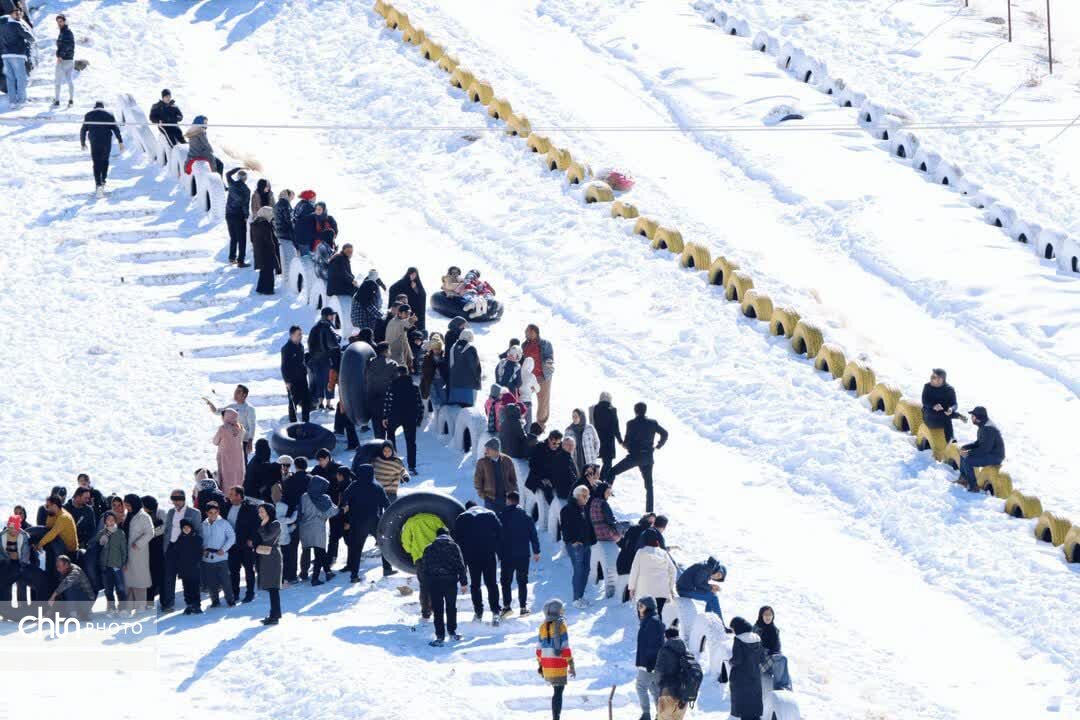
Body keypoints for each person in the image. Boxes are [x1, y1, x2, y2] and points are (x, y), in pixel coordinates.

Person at [610, 403, 669, 513]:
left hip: (634, 457)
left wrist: (624, 445)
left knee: (612, 472)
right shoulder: (653, 423)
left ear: (635, 411)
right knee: (649, 486)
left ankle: (604, 496)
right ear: (645, 410)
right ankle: (649, 511)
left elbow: (627, 441)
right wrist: (658, 446)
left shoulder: (631, 423)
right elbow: (665, 433)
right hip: (648, 457)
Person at [453, 501, 503, 625]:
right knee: (492, 584)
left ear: (467, 508)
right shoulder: (490, 514)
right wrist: (497, 551)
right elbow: (500, 533)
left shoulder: (462, 517)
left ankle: (478, 612)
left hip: (472, 557)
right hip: (488, 555)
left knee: (475, 585)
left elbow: (456, 539)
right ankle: (495, 612)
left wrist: (463, 560)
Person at [340, 464, 390, 582]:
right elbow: (386, 503)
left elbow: (344, 497)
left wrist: (347, 507)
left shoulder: (354, 485)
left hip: (357, 522)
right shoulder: (377, 486)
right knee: (383, 545)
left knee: (356, 549)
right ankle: (387, 568)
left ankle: (354, 575)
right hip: (374, 521)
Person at [420, 527, 468, 647]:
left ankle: (440, 636)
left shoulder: (428, 548)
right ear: (448, 535)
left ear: (436, 536)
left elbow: (424, 568)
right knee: (451, 607)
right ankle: (452, 632)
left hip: (434, 583)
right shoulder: (454, 547)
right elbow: (460, 565)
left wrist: (426, 585)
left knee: (438, 610)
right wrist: (464, 583)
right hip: (450, 582)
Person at [498, 491, 540, 617]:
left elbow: (496, 536)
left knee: (506, 582)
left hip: (506, 555)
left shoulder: (501, 516)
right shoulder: (526, 516)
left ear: (508, 501)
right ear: (518, 501)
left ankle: (507, 607)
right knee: (522, 581)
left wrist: (498, 552)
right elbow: (533, 535)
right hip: (523, 554)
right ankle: (523, 608)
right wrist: (536, 551)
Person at [160, 488, 201, 613]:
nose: (176, 502)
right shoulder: (171, 512)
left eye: (178, 499)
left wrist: (196, 550)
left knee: (188, 577)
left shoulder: (194, 512)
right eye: (173, 499)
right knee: (169, 576)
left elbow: (198, 531)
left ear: (184, 499)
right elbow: (167, 529)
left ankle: (192, 603)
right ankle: (169, 604)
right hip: (171, 547)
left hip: (186, 550)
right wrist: (165, 547)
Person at [536, 599, 575, 720]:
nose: (563, 611)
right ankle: (556, 717)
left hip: (547, 664)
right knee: (558, 692)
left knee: (556, 691)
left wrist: (540, 665)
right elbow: (565, 647)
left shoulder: (542, 626)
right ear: (556, 610)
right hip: (559, 663)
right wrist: (571, 665)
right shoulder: (561, 625)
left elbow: (538, 649)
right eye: (561, 609)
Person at [382, 365, 424, 473]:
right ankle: (412, 466)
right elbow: (420, 404)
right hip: (410, 416)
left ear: (398, 374)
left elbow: (387, 402)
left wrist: (385, 417)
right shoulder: (414, 387)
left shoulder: (392, 386)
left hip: (394, 416)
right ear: (407, 373)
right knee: (411, 442)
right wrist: (419, 418)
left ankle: (393, 463)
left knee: (391, 438)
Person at [299, 474, 338, 586]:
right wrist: (340, 507)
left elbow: (301, 511)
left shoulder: (304, 496)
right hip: (317, 529)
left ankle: (327, 572)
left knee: (307, 550)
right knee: (319, 553)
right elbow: (332, 512)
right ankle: (315, 578)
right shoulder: (324, 498)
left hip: (304, 528)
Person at [560, 485, 595, 608]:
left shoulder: (584, 508)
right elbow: (564, 527)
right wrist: (572, 541)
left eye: (588, 496)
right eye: (584, 496)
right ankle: (576, 599)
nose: (587, 498)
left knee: (586, 570)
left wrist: (591, 540)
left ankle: (580, 596)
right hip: (575, 545)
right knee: (579, 570)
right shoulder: (567, 509)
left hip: (586, 543)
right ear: (577, 496)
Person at [79, 101, 123, 197]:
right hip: (106, 142)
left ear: (94, 107)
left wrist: (82, 143)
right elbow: (116, 129)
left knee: (96, 163)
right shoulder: (109, 115)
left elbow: (83, 130)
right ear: (103, 107)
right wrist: (120, 141)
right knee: (105, 161)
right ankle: (103, 180)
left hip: (94, 142)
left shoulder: (88, 115)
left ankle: (98, 184)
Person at [629, 533, 677, 620]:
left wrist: (631, 588)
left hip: (644, 592)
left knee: (643, 617)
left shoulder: (640, 552)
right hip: (661, 591)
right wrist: (669, 588)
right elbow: (673, 571)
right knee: (657, 615)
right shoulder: (663, 553)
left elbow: (634, 571)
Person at [959, 406, 1005, 492]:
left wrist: (969, 453)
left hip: (995, 456)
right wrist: (966, 447)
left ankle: (973, 487)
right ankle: (963, 479)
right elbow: (979, 443)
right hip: (989, 452)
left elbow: (984, 449)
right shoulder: (983, 425)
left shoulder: (988, 429)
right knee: (963, 453)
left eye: (973, 416)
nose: (971, 418)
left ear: (978, 418)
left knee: (968, 460)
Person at [225, 487, 259, 603]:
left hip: (245, 544)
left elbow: (256, 525)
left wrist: (252, 539)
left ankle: (250, 593)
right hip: (232, 545)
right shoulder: (227, 506)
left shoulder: (250, 507)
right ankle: (235, 594)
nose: (229, 496)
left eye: (232, 494)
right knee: (233, 570)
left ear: (239, 496)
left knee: (249, 570)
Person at [729, 616, 766, 720]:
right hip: (755, 677)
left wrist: (730, 661)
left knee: (744, 709)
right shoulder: (757, 638)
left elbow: (737, 660)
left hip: (741, 679)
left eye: (733, 629)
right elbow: (762, 658)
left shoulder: (738, 639)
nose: (733, 631)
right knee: (754, 708)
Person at [588, 482, 621, 599]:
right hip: (606, 535)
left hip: (596, 534)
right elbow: (610, 520)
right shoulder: (603, 503)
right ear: (602, 491)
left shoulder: (592, 502)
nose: (609, 495)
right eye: (607, 492)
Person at [200, 501, 236, 607]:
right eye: (210, 512)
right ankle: (215, 600)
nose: (213, 515)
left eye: (215, 512)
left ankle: (230, 599)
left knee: (225, 580)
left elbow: (232, 537)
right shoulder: (203, 524)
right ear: (207, 513)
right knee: (211, 581)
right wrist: (202, 549)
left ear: (218, 512)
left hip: (221, 557)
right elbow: (200, 539)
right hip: (207, 558)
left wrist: (224, 549)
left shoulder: (224, 523)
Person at [121, 494, 153, 612]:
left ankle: (140, 607)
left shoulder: (144, 516)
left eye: (128, 505)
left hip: (138, 553)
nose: (127, 508)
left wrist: (138, 543)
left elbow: (150, 533)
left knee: (139, 581)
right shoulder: (128, 515)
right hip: (127, 552)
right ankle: (128, 607)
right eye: (126, 505)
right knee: (128, 581)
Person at [205, 384, 256, 458]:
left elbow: (252, 426)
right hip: (231, 440)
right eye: (235, 391)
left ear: (244, 395)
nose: (235, 393)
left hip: (243, 441)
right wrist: (210, 404)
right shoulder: (232, 406)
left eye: (238, 392)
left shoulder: (249, 408)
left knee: (242, 462)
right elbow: (217, 412)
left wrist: (250, 441)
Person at [635, 596, 666, 720]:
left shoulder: (652, 622)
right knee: (655, 690)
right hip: (651, 663)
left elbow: (655, 645)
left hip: (649, 664)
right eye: (638, 606)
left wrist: (650, 664)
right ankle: (661, 715)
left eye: (641, 606)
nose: (639, 609)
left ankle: (646, 714)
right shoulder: (650, 620)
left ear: (648, 607)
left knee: (640, 687)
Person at [675, 556, 727, 625]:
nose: (716, 577)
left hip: (686, 588)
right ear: (718, 569)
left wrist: (711, 587)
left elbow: (699, 581)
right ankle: (720, 624)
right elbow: (698, 583)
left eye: (718, 578)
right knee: (713, 598)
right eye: (718, 574)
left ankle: (708, 621)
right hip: (684, 590)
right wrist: (711, 587)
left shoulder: (709, 567)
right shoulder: (708, 568)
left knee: (712, 596)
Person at [521, 325, 555, 429]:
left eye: (528, 331)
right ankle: (523, 422)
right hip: (529, 377)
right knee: (524, 398)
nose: (526, 333)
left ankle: (540, 423)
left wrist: (548, 363)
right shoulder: (524, 345)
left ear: (535, 332)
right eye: (526, 331)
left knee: (543, 401)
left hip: (542, 377)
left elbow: (549, 356)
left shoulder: (545, 344)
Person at [308, 306, 341, 412]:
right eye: (331, 315)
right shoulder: (327, 328)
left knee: (319, 381)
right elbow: (332, 344)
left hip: (315, 359)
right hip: (326, 358)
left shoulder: (315, 327)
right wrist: (337, 343)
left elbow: (309, 343)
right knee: (329, 380)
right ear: (326, 316)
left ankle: (320, 402)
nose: (333, 317)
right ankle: (328, 403)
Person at [655, 625, 691, 720]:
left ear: (667, 637)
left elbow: (658, 671)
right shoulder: (686, 651)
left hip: (667, 693)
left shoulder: (664, 651)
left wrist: (659, 685)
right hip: (683, 695)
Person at [255, 503, 283, 625]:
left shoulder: (276, 524)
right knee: (271, 588)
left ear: (269, 512)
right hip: (265, 557)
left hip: (273, 557)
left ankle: (274, 616)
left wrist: (262, 525)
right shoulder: (264, 523)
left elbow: (267, 538)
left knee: (273, 588)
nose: (260, 514)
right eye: (259, 512)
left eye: (263, 511)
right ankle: (274, 615)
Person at [0, 9, 33, 109]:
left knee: (10, 79)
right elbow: (29, 37)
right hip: (17, 55)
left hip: (5, 55)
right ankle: (22, 101)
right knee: (20, 78)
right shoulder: (17, 24)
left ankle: (12, 102)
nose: (18, 15)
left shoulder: (2, 26)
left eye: (20, 13)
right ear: (11, 15)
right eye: (16, 14)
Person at [755, 606, 791, 691]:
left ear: (773, 616)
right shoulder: (756, 629)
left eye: (770, 614)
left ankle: (786, 691)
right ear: (761, 616)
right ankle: (779, 688)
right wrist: (769, 652)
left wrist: (774, 654)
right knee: (781, 659)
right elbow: (755, 649)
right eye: (765, 614)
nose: (768, 617)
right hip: (759, 664)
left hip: (771, 661)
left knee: (782, 660)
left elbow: (778, 648)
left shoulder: (775, 630)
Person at [281, 325, 311, 423]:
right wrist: (287, 381)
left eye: (301, 334)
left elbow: (302, 361)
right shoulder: (286, 348)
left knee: (306, 401)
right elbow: (284, 366)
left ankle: (306, 423)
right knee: (293, 404)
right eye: (298, 334)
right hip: (292, 381)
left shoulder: (301, 346)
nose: (301, 336)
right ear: (292, 335)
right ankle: (293, 424)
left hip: (302, 379)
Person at [0, 515, 33, 604]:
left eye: (14, 528)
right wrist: (6, 559)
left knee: (21, 583)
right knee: (5, 584)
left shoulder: (24, 536)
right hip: (6, 561)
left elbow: (25, 553)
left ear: (18, 527)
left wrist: (22, 564)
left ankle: (22, 606)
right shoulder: (2, 535)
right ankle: (5, 606)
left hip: (19, 562)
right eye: (10, 527)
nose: (12, 530)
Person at [921, 368, 960, 444]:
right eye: (934, 377)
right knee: (946, 417)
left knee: (946, 416)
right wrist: (933, 406)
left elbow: (955, 404)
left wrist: (951, 409)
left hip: (944, 414)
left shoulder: (949, 389)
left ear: (943, 379)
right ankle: (955, 416)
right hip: (929, 415)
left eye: (938, 378)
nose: (934, 379)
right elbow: (924, 401)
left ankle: (951, 439)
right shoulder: (927, 386)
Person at [213, 408, 246, 493]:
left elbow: (215, 441)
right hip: (238, 458)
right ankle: (237, 495)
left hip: (225, 458)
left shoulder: (223, 429)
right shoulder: (241, 428)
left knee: (226, 478)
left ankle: (227, 496)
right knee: (236, 477)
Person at [591, 393, 623, 481]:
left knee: (591, 461)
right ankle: (600, 481)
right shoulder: (612, 410)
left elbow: (591, 424)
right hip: (608, 441)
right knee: (607, 463)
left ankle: (591, 481)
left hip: (596, 439)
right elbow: (616, 427)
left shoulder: (593, 408)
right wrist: (620, 441)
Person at [174, 519, 203, 614]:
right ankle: (189, 604)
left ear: (192, 528)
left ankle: (197, 605)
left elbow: (200, 553)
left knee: (195, 587)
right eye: (184, 528)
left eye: (188, 527)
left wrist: (196, 562)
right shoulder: (179, 539)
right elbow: (177, 554)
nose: (186, 529)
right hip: (184, 569)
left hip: (194, 568)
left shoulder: (197, 538)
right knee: (186, 587)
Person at [225, 167, 251, 267]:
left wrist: (238, 168)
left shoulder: (231, 184)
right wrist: (246, 216)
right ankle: (241, 261)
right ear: (245, 179)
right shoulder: (246, 190)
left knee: (233, 237)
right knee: (242, 239)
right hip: (239, 216)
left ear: (237, 177)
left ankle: (232, 258)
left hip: (228, 214)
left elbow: (228, 174)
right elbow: (245, 204)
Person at [448, 329, 481, 407]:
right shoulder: (470, 348)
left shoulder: (453, 348)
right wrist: (477, 380)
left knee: (454, 409)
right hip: (467, 386)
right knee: (467, 410)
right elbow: (475, 367)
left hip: (454, 384)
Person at [251, 205, 280, 294]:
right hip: (267, 251)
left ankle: (260, 288)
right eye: (270, 214)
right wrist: (273, 251)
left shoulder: (254, 224)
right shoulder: (265, 225)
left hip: (258, 251)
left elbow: (252, 239)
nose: (272, 216)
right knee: (269, 271)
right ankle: (268, 290)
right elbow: (269, 240)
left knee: (263, 271)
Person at [565, 408, 600, 473]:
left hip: (589, 460)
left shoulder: (590, 428)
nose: (574, 419)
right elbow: (565, 446)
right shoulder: (569, 430)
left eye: (576, 417)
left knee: (589, 477)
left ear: (581, 417)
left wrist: (594, 454)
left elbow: (597, 442)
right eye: (573, 417)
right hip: (575, 460)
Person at [420, 333, 447, 408]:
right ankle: (436, 409)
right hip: (431, 380)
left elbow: (446, 368)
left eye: (438, 349)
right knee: (433, 396)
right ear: (432, 349)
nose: (437, 351)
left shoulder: (444, 356)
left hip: (441, 379)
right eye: (435, 349)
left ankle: (443, 409)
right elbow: (424, 369)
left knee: (442, 395)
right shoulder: (427, 357)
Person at [52, 14, 74, 108]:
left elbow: (66, 45)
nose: (59, 23)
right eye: (58, 22)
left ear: (64, 21)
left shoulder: (66, 32)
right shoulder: (65, 32)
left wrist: (60, 56)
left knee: (58, 81)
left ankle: (57, 100)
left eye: (60, 21)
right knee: (69, 80)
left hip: (63, 60)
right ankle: (71, 100)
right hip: (70, 59)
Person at [385, 303, 416, 368]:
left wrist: (409, 355)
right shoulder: (395, 322)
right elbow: (406, 324)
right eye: (406, 313)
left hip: (399, 352)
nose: (408, 315)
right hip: (394, 353)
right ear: (399, 313)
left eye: (409, 313)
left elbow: (405, 341)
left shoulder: (399, 321)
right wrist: (411, 321)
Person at [292, 189, 317, 255]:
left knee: (302, 256)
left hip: (298, 236)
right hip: (305, 238)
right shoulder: (309, 207)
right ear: (309, 198)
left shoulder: (299, 204)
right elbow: (311, 221)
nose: (315, 199)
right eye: (314, 197)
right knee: (306, 257)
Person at [273, 189, 295, 254]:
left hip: (278, 232)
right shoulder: (285, 204)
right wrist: (293, 232)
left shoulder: (276, 204)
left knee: (284, 253)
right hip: (286, 233)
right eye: (292, 196)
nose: (292, 199)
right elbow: (288, 219)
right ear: (288, 195)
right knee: (289, 254)